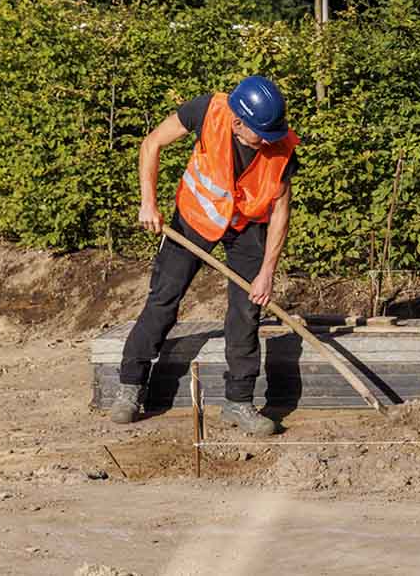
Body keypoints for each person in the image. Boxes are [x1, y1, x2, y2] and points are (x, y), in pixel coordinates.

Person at [110, 76, 299, 435]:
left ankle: (239, 402)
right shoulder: (207, 110)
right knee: (164, 298)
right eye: (262, 134)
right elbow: (152, 143)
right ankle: (130, 385)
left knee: (246, 310)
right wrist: (148, 202)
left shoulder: (281, 146)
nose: (269, 141)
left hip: (246, 227)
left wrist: (267, 272)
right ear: (238, 122)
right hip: (194, 218)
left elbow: (280, 212)